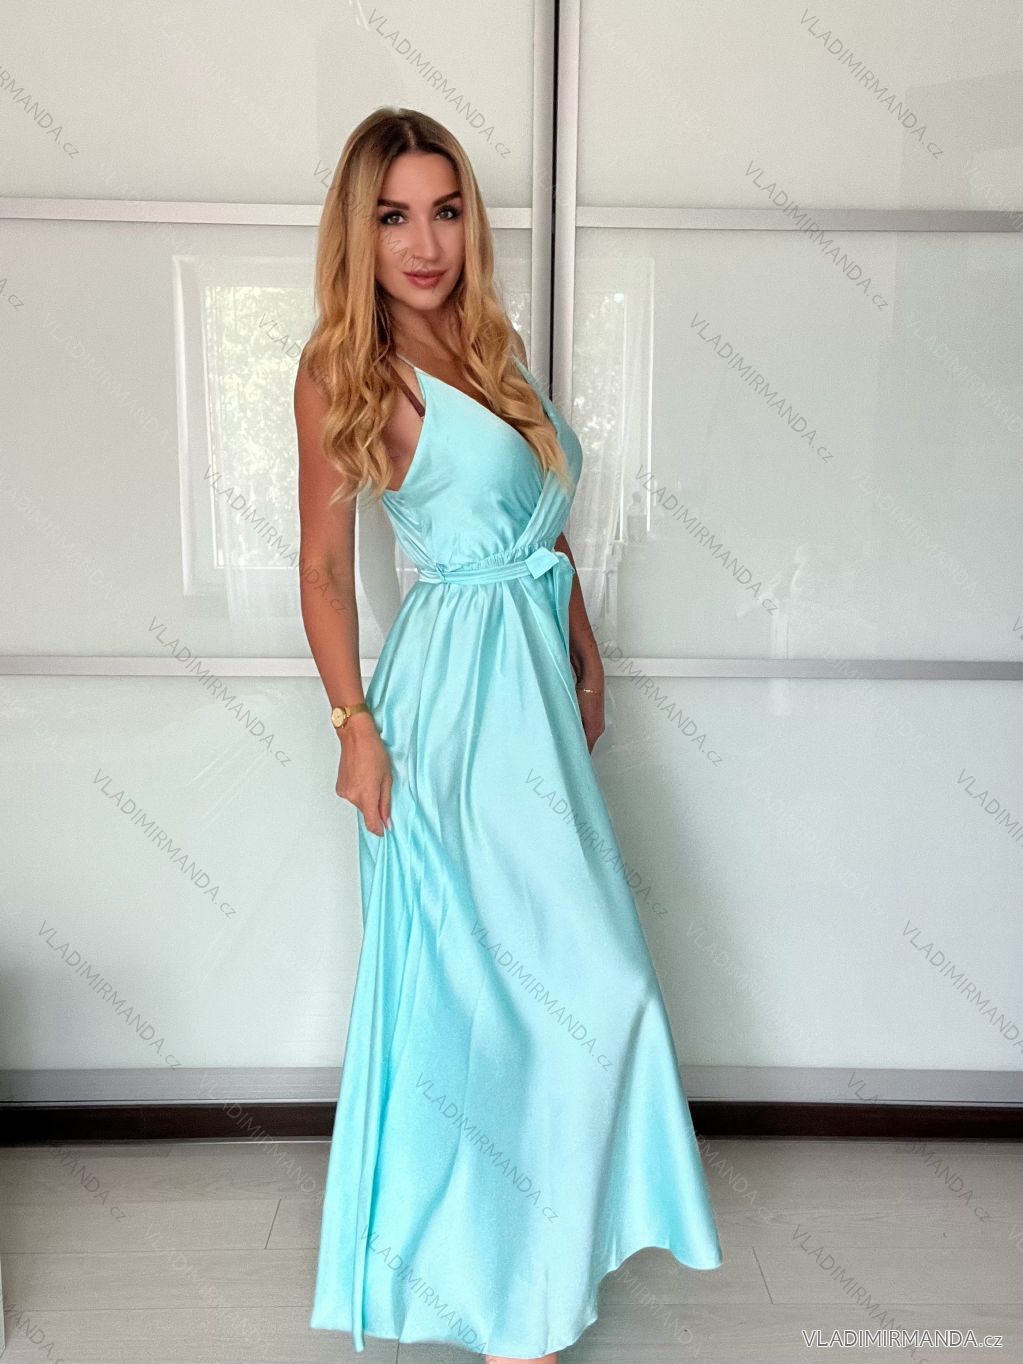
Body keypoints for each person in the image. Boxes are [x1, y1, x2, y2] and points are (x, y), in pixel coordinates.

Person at [296, 106, 722, 1362]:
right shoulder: (346, 368)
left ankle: (527, 1280)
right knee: (494, 996)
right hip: (452, 708)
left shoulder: (496, 345)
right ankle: (507, 1308)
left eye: (444, 211)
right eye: (393, 216)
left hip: (533, 684)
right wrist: (353, 725)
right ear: (360, 230)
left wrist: (582, 640)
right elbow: (323, 569)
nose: (424, 243)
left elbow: (547, 516)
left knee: (575, 990)